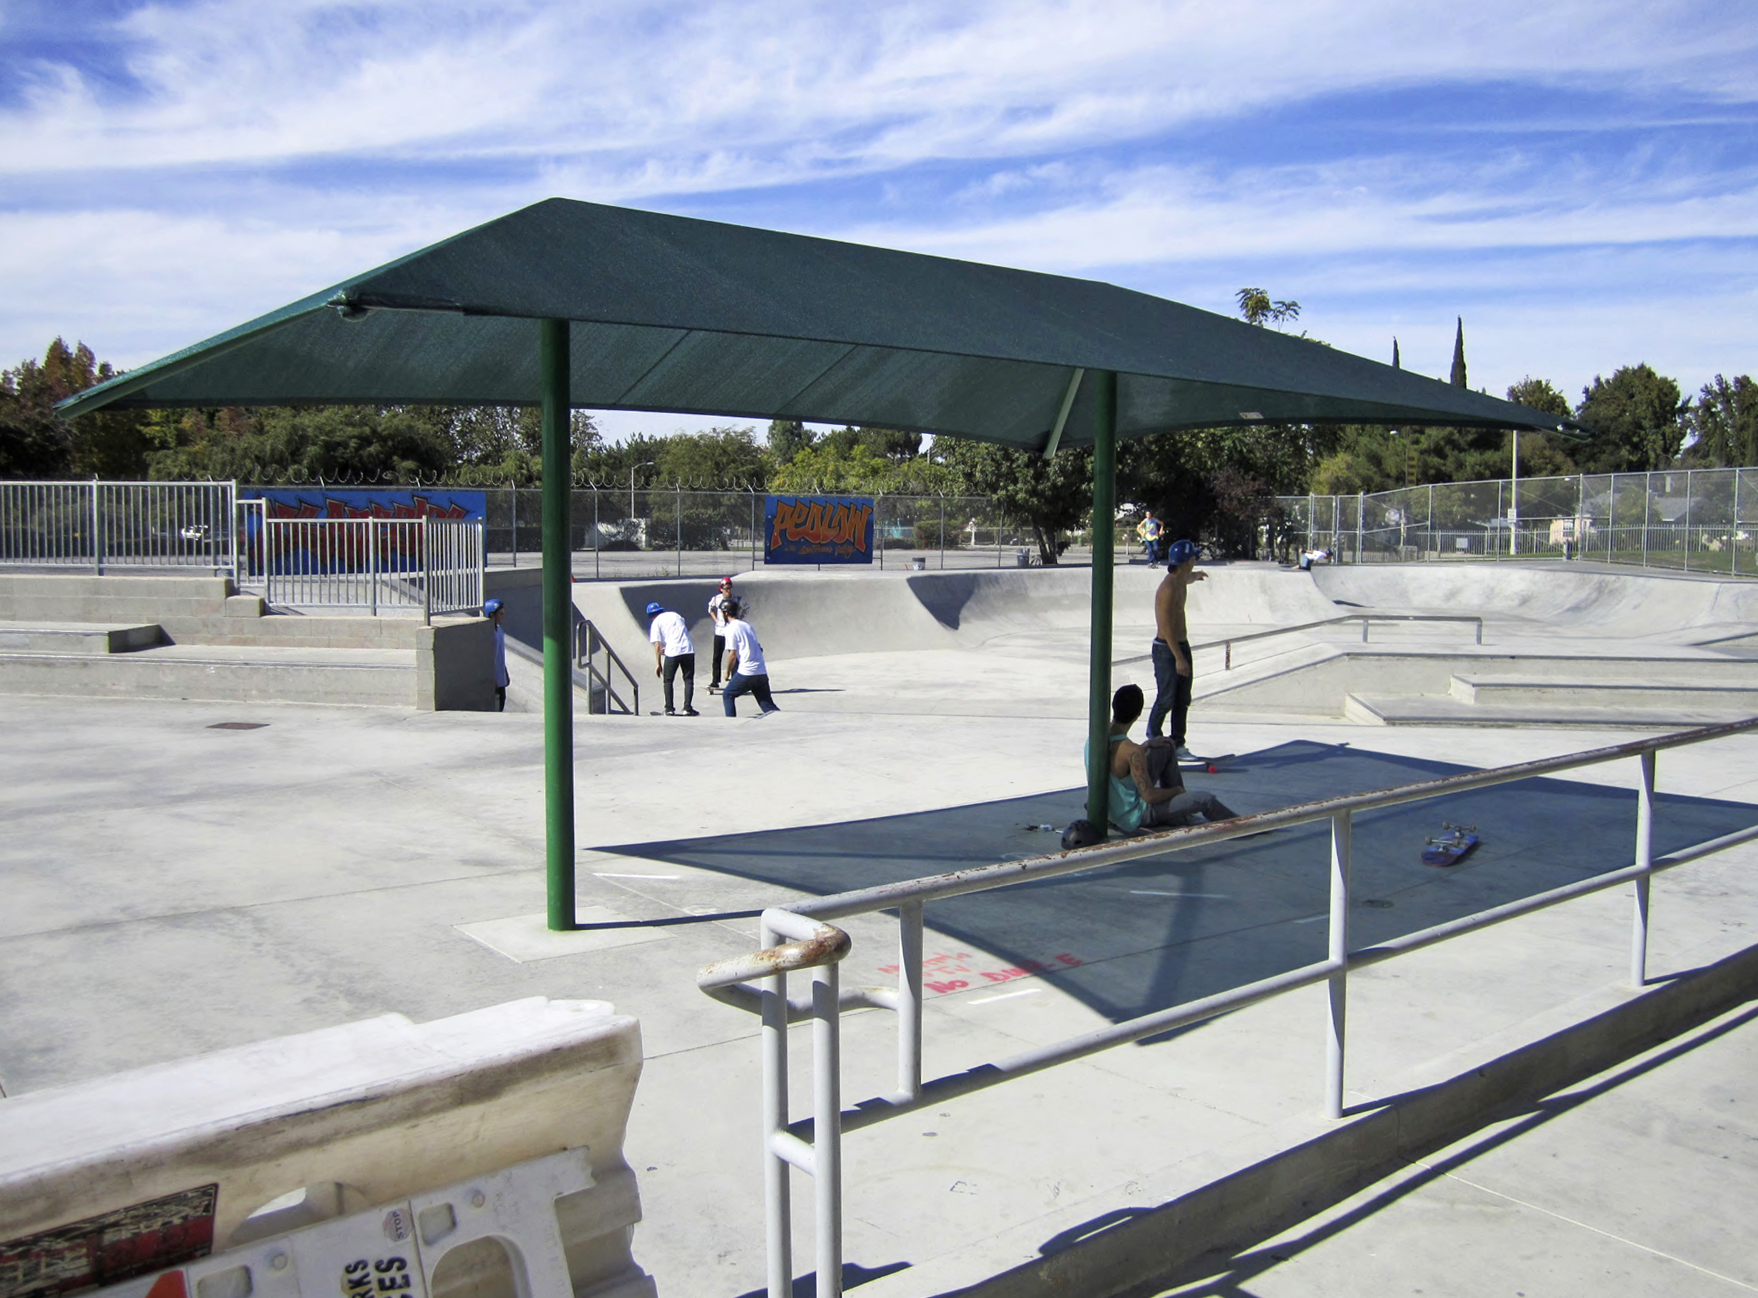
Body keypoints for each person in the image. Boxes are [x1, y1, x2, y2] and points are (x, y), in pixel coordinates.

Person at [1088, 684, 1237, 834]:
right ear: (1139, 713)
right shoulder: (1133, 751)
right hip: (1136, 817)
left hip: (1113, 810)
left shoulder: (1096, 736)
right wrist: (1176, 791)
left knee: (1165, 746)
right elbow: (1150, 796)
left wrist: (1147, 745)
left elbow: (1117, 761)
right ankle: (1247, 826)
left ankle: (1179, 816)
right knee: (1206, 800)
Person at [1148, 538, 1204, 760]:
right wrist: (1179, 658)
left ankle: (1178, 743)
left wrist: (1196, 576)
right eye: (1194, 559)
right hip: (1166, 649)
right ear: (1187, 561)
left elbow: (1186, 579)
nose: (1195, 561)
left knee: (1183, 697)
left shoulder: (1181, 579)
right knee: (1167, 697)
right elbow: (1165, 628)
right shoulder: (1168, 589)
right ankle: (1154, 737)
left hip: (1181, 645)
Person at [720, 596, 779, 717]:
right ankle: (785, 722)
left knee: (728, 695)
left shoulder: (731, 628)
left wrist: (727, 672)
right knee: (767, 705)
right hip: (761, 671)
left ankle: (731, 725)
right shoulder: (747, 626)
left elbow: (732, 654)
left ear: (725, 613)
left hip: (747, 672)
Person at [646, 600, 698, 716]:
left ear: (650, 616)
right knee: (688, 680)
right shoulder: (676, 615)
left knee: (668, 681)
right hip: (688, 649)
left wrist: (658, 663)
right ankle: (687, 708)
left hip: (673, 652)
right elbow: (679, 633)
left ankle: (669, 708)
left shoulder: (656, 622)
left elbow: (657, 645)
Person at [707, 577, 734, 693]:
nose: (728, 591)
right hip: (719, 631)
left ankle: (734, 680)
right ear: (721, 589)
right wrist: (716, 620)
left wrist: (738, 620)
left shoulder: (736, 600)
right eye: (726, 588)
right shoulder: (716, 599)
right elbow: (710, 609)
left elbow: (746, 608)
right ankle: (715, 681)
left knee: (733, 655)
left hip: (732, 631)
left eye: (730, 588)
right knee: (717, 657)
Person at [484, 597, 508, 712]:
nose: (502, 616)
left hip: (501, 677)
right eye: (500, 614)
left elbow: (500, 655)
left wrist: (505, 672)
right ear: (492, 615)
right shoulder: (489, 633)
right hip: (494, 680)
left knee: (502, 702)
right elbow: (489, 657)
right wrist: (492, 677)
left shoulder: (499, 630)